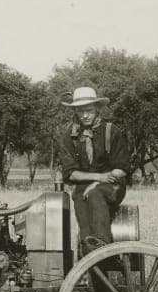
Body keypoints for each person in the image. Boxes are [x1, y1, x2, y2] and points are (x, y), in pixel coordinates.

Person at [55, 86, 132, 254]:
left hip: (112, 185)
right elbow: (70, 173)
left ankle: (103, 247)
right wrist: (98, 177)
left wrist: (99, 181)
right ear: (75, 111)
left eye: (89, 110)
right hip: (84, 186)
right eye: (80, 111)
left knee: (95, 194)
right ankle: (88, 251)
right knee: (80, 201)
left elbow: (122, 168)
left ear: (97, 109)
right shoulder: (69, 136)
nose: (85, 115)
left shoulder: (111, 131)